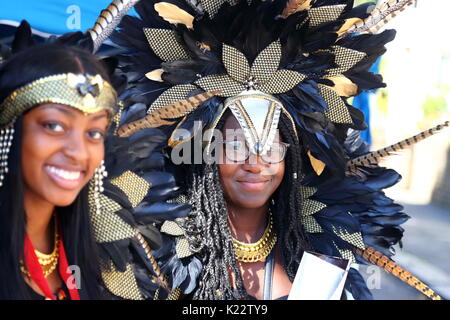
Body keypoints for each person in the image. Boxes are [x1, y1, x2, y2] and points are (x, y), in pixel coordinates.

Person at [110, 0, 446, 300]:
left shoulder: (320, 245)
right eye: (235, 147)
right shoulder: (159, 243)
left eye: (271, 148)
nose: (256, 164)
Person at [0, 21, 184, 300]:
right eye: (54, 126)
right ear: (8, 130)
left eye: (94, 132)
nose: (78, 151)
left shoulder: (92, 256)